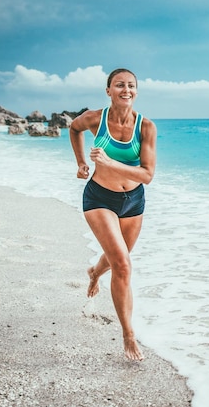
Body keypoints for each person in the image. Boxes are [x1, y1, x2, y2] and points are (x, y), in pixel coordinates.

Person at [69, 68, 157, 361]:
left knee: (116, 259)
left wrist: (108, 161)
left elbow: (147, 174)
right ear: (108, 90)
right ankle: (128, 335)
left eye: (131, 85)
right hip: (99, 198)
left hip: (133, 201)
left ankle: (94, 272)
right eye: (119, 85)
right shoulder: (96, 119)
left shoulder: (146, 128)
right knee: (123, 265)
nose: (126, 90)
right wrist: (81, 162)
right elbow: (73, 127)